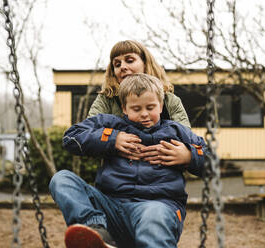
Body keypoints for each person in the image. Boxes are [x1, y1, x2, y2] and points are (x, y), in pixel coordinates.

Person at [49, 74, 208, 248]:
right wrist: (111, 139)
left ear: (161, 106)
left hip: (157, 206)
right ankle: (97, 232)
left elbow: (211, 160)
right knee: (62, 179)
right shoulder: (111, 125)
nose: (144, 114)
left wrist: (189, 155)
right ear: (124, 108)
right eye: (136, 109)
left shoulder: (175, 131)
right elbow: (71, 137)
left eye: (150, 107)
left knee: (154, 215)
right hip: (111, 208)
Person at [87, 40, 192, 166]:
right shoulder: (107, 100)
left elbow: (190, 140)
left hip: (162, 177)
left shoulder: (169, 100)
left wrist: (188, 155)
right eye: (117, 64)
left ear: (145, 63)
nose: (123, 67)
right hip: (118, 176)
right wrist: (113, 139)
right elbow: (87, 134)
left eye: (129, 60)